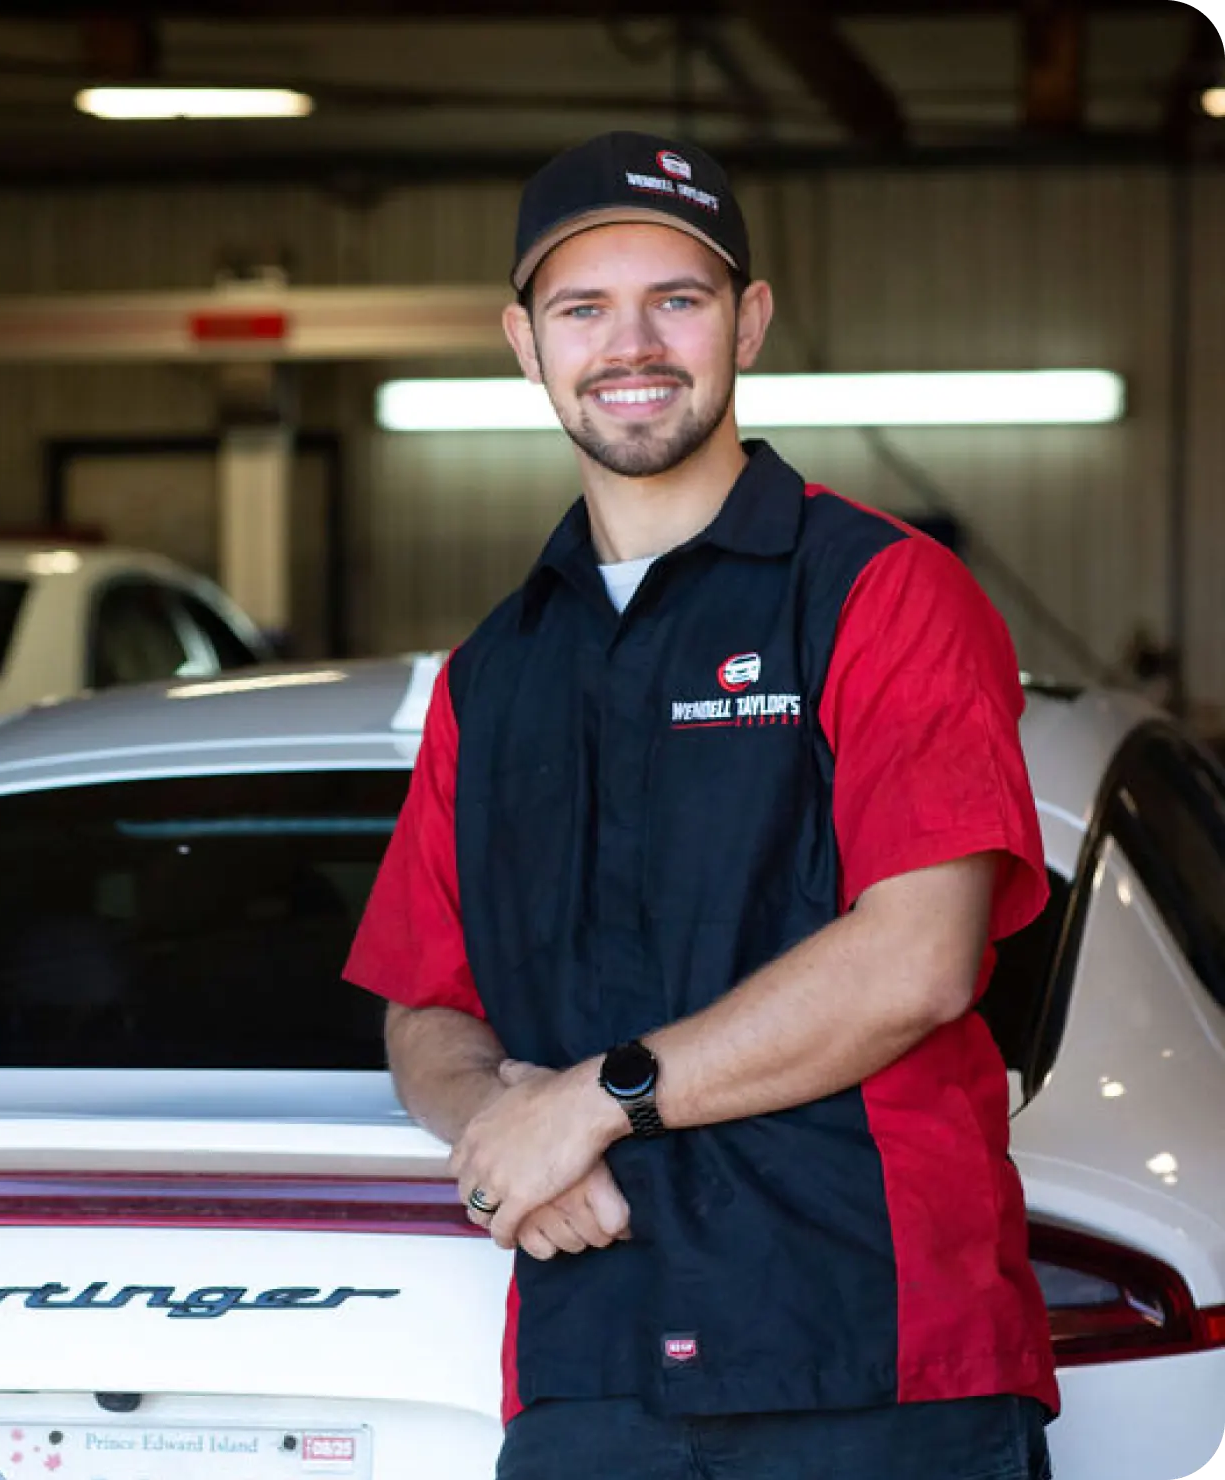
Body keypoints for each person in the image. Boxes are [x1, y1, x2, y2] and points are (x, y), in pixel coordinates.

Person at [343, 130, 1056, 1480]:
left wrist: (594, 1104)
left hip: (874, 1355)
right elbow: (424, 1007)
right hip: (591, 1366)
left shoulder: (880, 594)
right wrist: (501, 1133)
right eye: (582, 309)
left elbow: (921, 956)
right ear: (522, 341)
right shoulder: (497, 671)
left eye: (677, 298)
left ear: (752, 321)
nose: (633, 345)